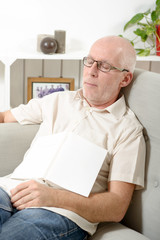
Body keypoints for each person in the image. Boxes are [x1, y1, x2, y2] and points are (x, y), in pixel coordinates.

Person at [0, 36, 146, 240]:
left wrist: (53, 197)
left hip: (58, 212)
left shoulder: (128, 130)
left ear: (125, 79)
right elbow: (6, 117)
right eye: (89, 61)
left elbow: (117, 206)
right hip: (8, 189)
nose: (91, 71)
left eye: (104, 66)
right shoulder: (58, 99)